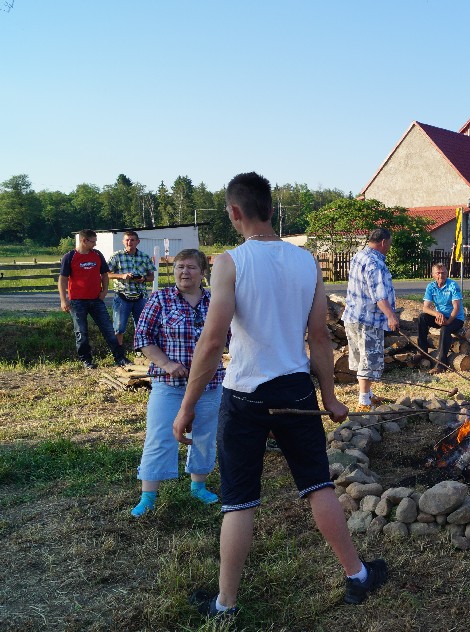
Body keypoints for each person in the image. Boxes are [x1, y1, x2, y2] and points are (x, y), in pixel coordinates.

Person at [171, 172, 387, 618]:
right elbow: (319, 339)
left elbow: (211, 342)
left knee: (239, 499)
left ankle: (226, 605)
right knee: (317, 484)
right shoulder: (306, 262)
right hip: (295, 390)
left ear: (235, 212)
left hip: (244, 394)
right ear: (270, 209)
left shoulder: (229, 262)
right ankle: (357, 575)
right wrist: (329, 397)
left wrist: (186, 406)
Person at [130, 249, 223, 517]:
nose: (184, 272)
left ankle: (198, 486)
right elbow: (143, 338)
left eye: (191, 267)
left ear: (203, 272)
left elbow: (229, 337)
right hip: (169, 385)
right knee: (160, 436)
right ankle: (148, 497)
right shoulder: (160, 299)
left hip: (209, 383)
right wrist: (168, 365)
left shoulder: (215, 301)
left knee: (204, 435)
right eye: (180, 267)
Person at [343, 227, 399, 411]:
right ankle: (364, 401)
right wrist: (391, 316)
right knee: (368, 359)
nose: (389, 247)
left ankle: (368, 394)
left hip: (352, 316)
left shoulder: (359, 256)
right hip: (368, 319)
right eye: (389, 243)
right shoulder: (375, 263)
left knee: (361, 358)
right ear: (383, 242)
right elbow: (379, 295)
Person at [58, 229, 130, 369]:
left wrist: (105, 290)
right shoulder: (70, 257)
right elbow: (63, 279)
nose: (95, 244)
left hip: (96, 300)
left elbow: (104, 274)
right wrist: (63, 299)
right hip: (77, 301)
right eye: (93, 241)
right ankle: (86, 360)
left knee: (109, 330)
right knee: (81, 332)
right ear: (84, 241)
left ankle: (120, 358)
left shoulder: (97, 254)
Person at [108, 230, 156, 347]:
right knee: (119, 327)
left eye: (132, 240)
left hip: (140, 296)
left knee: (141, 326)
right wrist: (122, 276)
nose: (130, 242)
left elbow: (152, 277)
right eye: (127, 240)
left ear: (138, 241)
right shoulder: (116, 256)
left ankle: (140, 350)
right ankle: (118, 352)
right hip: (122, 295)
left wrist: (143, 279)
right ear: (123, 241)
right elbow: (106, 274)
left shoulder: (144, 257)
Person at [417, 262, 464, 373]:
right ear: (433, 275)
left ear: (447, 274)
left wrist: (448, 321)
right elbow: (425, 308)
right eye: (438, 273)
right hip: (440, 317)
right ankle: (422, 352)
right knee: (422, 318)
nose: (441, 275)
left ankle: (441, 365)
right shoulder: (431, 287)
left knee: (445, 329)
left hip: (455, 318)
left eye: (443, 273)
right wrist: (436, 314)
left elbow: (456, 307)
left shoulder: (453, 285)